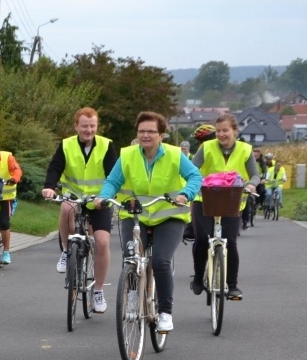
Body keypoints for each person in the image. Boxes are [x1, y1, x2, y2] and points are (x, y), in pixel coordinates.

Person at [94, 111, 202, 332]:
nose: (145, 135)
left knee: (161, 261)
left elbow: (195, 176)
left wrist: (186, 194)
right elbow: (113, 181)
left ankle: (165, 313)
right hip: (135, 215)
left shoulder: (174, 155)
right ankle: (133, 297)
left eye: (151, 131)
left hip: (169, 216)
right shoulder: (128, 155)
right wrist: (103, 196)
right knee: (131, 258)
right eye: (141, 131)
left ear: (161, 135)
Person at [42, 107, 118, 313]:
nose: (89, 130)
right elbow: (55, 167)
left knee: (102, 242)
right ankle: (67, 250)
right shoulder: (66, 145)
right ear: (76, 126)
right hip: (74, 196)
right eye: (84, 126)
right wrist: (49, 186)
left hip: (98, 200)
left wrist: (107, 196)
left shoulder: (106, 145)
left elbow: (113, 174)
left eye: (92, 126)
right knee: (66, 208)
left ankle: (98, 290)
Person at [189, 114, 260, 299]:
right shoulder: (206, 147)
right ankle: (198, 277)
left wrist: (251, 185)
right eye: (218, 131)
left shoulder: (245, 150)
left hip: (232, 201)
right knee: (202, 238)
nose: (221, 134)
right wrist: (196, 182)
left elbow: (255, 175)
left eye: (225, 130)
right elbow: (191, 168)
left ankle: (232, 285)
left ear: (235, 131)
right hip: (204, 199)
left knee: (230, 242)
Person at [0, 137, 22, 264]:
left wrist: (14, 178)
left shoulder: (7, 157)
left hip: (6, 198)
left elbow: (17, 170)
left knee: (4, 223)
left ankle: (6, 252)